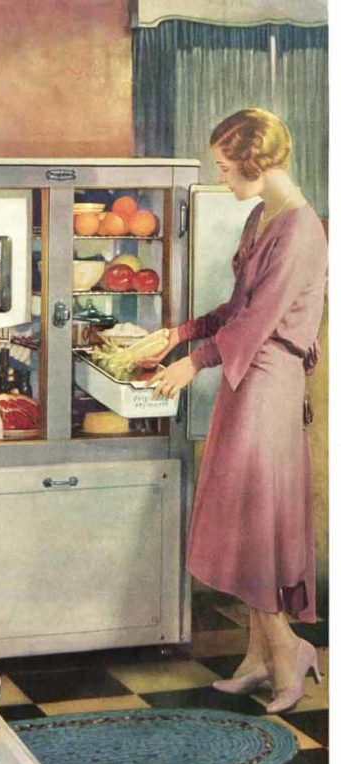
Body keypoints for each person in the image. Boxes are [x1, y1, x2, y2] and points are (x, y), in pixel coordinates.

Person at [145, 108, 328, 714]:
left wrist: (192, 363)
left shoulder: (302, 229)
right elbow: (235, 306)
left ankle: (289, 650)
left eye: (226, 168)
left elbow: (259, 319)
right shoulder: (261, 216)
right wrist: (178, 332)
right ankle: (257, 656)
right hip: (244, 385)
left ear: (255, 161)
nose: (222, 179)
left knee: (257, 522)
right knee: (247, 520)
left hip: (268, 387)